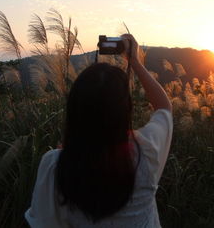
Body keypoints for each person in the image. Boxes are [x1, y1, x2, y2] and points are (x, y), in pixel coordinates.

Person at [25, 34, 173, 227]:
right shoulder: (147, 152)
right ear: (125, 110)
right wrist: (134, 61)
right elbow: (164, 109)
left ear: (74, 110)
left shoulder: (55, 165)